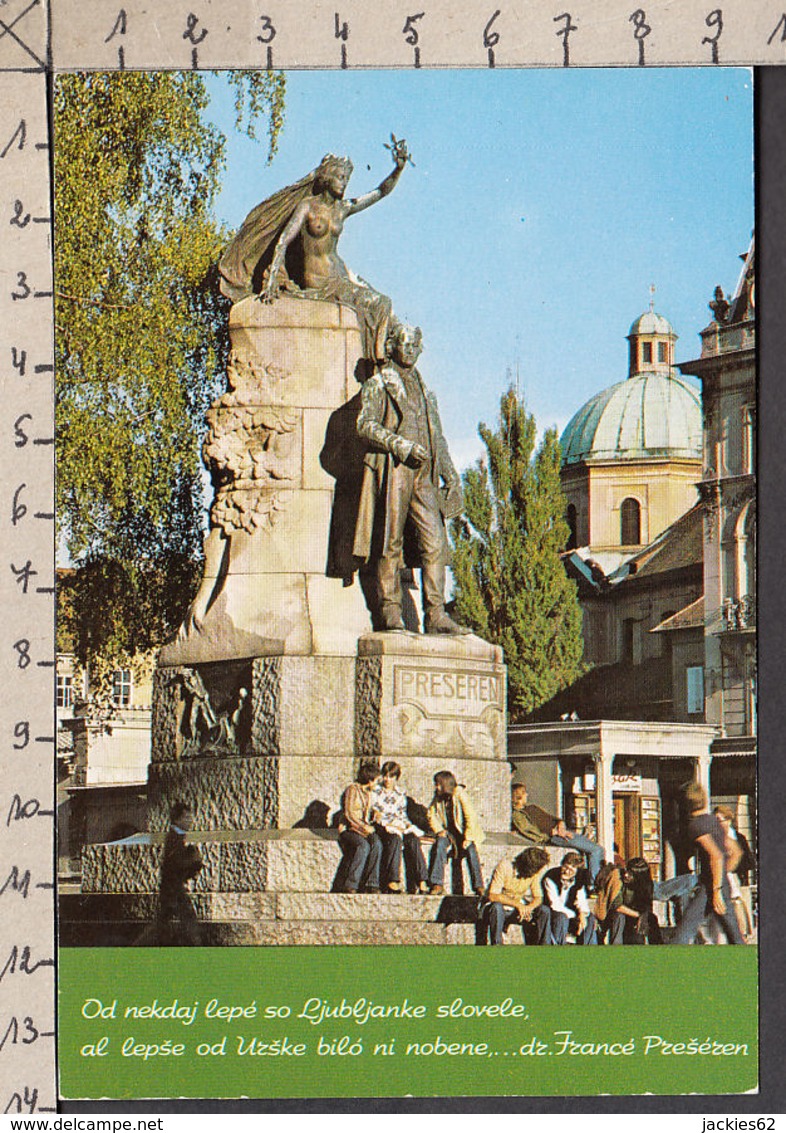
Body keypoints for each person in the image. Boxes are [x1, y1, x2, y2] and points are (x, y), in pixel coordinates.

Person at [218, 140, 410, 363]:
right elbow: (283, 241)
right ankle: (376, 358)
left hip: (340, 277)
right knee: (380, 303)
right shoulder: (307, 207)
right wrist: (271, 281)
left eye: (346, 179)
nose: (344, 183)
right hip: (320, 282)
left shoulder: (343, 208)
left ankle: (380, 356)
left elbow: (380, 192)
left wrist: (398, 169)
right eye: (340, 177)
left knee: (385, 307)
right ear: (326, 177)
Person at [342, 320, 468, 634]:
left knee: (436, 543)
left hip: (425, 476)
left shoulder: (427, 391)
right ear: (393, 346)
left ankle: (436, 615)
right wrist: (401, 445)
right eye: (405, 344)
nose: (410, 350)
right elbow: (364, 426)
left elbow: (437, 436)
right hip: (395, 470)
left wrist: (451, 475)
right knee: (389, 542)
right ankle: (390, 615)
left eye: (415, 346)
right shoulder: (379, 383)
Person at [671, 782, 746, 945]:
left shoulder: (695, 826)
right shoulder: (713, 821)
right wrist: (723, 875)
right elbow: (735, 851)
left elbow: (716, 856)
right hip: (716, 882)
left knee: (686, 929)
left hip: (712, 885)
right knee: (732, 932)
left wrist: (716, 888)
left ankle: (669, 962)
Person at [510, 782, 605, 886]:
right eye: (524, 793)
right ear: (518, 796)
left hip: (561, 831)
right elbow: (528, 830)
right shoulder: (518, 814)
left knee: (594, 850)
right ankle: (594, 885)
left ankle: (590, 881)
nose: (527, 795)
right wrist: (551, 834)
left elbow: (553, 818)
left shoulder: (532, 808)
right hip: (554, 837)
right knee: (596, 850)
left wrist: (561, 824)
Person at [137, 802, 203, 946]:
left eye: (190, 817)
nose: (190, 820)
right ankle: (196, 946)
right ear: (177, 819)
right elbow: (175, 862)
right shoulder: (174, 837)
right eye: (186, 817)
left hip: (172, 888)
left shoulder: (177, 836)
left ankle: (138, 946)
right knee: (186, 919)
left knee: (163, 922)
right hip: (173, 889)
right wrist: (193, 859)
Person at [369, 761, 429, 893]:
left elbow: (402, 814)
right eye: (385, 776)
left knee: (413, 840)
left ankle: (422, 880)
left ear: (396, 778)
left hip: (398, 824)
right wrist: (384, 820)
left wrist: (407, 825)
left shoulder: (400, 793)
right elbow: (375, 813)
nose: (387, 779)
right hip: (383, 826)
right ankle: (393, 880)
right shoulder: (376, 791)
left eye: (391, 777)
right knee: (394, 839)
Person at [427, 771, 484, 896]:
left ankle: (479, 885)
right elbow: (430, 814)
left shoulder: (459, 794)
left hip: (465, 832)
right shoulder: (438, 797)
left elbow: (471, 817)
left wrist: (468, 837)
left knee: (471, 849)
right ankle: (437, 883)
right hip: (449, 833)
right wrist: (439, 830)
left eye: (438, 784)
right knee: (440, 843)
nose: (436, 787)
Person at [480, 847, 551, 946]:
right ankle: (497, 946)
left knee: (544, 910)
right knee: (496, 908)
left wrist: (528, 908)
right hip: (500, 908)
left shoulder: (533, 873)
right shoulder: (505, 866)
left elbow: (538, 897)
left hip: (518, 910)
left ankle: (544, 948)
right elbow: (493, 895)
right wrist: (518, 905)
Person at [336, 761, 383, 893]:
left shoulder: (368, 793)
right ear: (369, 779)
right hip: (350, 829)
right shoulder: (352, 790)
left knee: (377, 844)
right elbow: (349, 813)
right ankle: (351, 883)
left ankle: (371, 882)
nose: (377, 784)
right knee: (363, 846)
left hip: (364, 829)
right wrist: (363, 828)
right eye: (376, 781)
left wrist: (375, 813)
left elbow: (367, 809)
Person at [713, 805, 755, 939]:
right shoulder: (714, 838)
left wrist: (732, 866)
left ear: (728, 820)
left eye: (720, 820)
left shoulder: (738, 838)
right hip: (721, 880)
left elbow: (749, 862)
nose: (718, 824)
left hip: (737, 880)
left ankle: (742, 936)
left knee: (739, 908)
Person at [542, 852, 598, 945]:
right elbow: (555, 905)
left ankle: (588, 949)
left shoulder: (579, 878)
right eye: (565, 867)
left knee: (590, 918)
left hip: (571, 913)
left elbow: (581, 900)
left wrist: (582, 914)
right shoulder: (551, 876)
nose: (566, 872)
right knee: (561, 917)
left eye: (571, 870)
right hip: (554, 913)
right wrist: (577, 916)